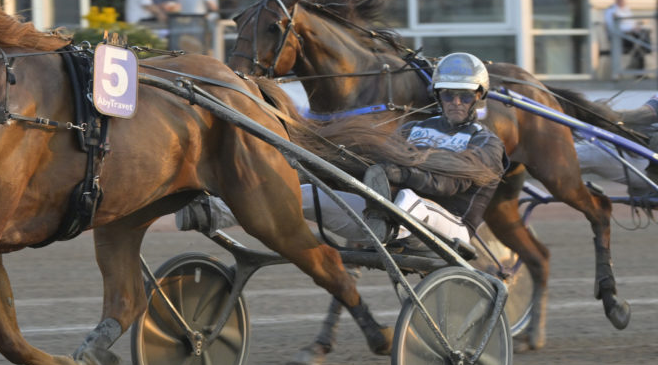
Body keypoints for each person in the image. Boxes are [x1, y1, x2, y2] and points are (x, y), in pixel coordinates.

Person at [176, 52, 507, 251]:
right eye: (448, 95)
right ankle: (215, 212)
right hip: (385, 212)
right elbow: (386, 160)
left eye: (464, 96)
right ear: (438, 95)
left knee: (408, 200)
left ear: (478, 97)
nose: (456, 102)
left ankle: (386, 225)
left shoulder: (486, 143)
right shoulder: (414, 128)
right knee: (306, 193)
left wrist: (400, 174)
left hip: (449, 227)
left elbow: (451, 184)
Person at [604, 0, 651, 70]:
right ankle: (637, 68)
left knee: (645, 32)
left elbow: (630, 23)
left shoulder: (626, 9)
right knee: (640, 40)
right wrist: (632, 28)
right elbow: (613, 27)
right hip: (619, 38)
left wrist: (638, 24)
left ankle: (638, 67)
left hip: (630, 35)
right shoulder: (611, 10)